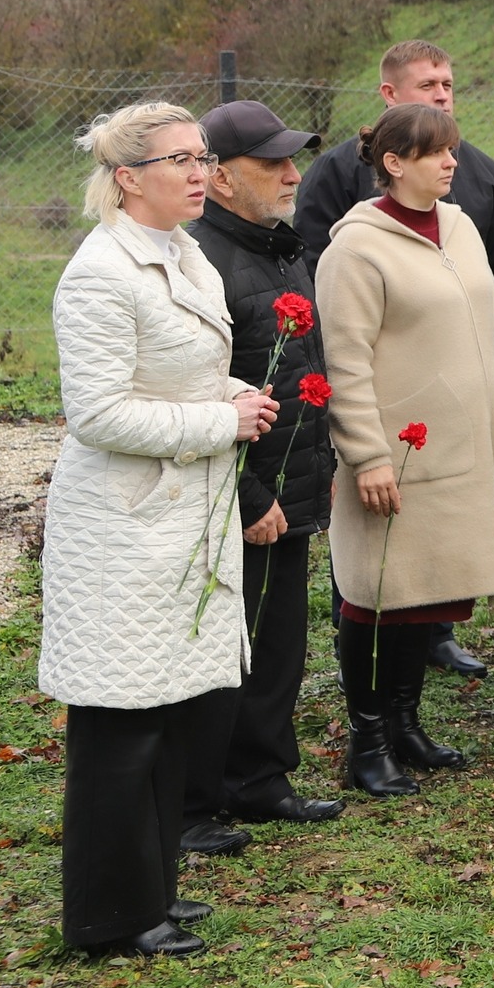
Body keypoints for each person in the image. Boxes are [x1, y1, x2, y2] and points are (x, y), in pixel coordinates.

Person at [43, 103, 279, 957]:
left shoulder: (186, 254)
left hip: (186, 521)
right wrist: (221, 421)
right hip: (124, 527)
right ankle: (107, 917)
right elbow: (98, 412)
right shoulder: (101, 271)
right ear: (126, 178)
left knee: (175, 711)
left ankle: (152, 893)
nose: (197, 172)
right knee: (121, 721)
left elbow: (191, 375)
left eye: (201, 156)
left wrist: (230, 398)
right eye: (177, 158)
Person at [296, 39, 494, 680]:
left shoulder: (471, 196)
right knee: (384, 579)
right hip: (397, 426)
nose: (444, 92)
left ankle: (420, 683)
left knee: (440, 566)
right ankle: (374, 729)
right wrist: (364, 451)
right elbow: (340, 333)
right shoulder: (348, 211)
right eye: (430, 84)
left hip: (455, 427)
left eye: (449, 82)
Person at [315, 103, 494, 796]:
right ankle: (367, 741)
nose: (451, 162)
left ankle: (406, 725)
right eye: (435, 152)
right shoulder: (356, 248)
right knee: (379, 594)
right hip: (397, 455)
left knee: (428, 592)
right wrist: (366, 453)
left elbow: (492, 326)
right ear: (394, 163)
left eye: (452, 150)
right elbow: (343, 359)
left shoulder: (460, 227)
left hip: (456, 452)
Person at [181, 101, 344, 843]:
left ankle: (259, 777)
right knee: (220, 644)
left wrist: (325, 460)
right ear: (217, 179)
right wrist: (249, 492)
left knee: (278, 639)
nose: (292, 174)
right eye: (271, 163)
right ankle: (196, 795)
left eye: (292, 159)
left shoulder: (284, 250)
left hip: (293, 478)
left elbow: (305, 370)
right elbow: (197, 386)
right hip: (236, 494)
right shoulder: (202, 262)